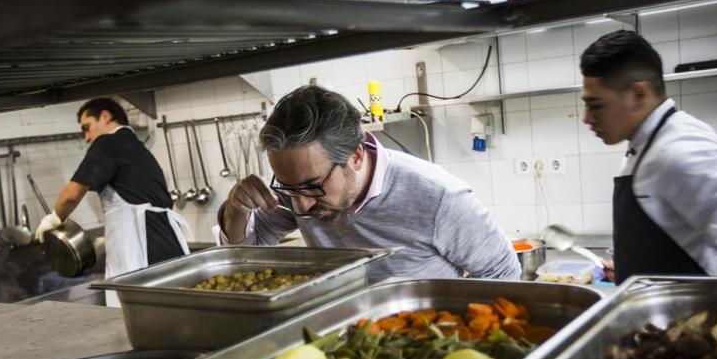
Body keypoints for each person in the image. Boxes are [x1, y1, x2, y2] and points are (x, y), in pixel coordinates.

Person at [219, 85, 520, 282]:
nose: (300, 206)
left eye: (313, 186)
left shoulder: (440, 198)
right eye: (288, 188)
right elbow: (247, 258)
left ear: (357, 156)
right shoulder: (299, 189)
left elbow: (502, 272)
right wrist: (236, 211)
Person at [579, 30, 717, 284]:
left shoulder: (680, 149)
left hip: (685, 320)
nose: (586, 117)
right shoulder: (646, 145)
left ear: (638, 95)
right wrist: (631, 271)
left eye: (596, 105)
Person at [34, 97, 189, 306]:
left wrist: (53, 219)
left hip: (141, 247)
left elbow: (72, 194)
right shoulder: (133, 145)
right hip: (165, 243)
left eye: (87, 128)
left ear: (105, 116)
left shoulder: (108, 142)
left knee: (140, 314)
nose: (87, 137)